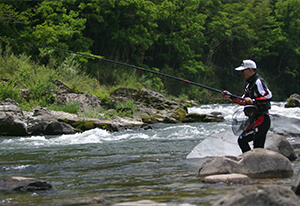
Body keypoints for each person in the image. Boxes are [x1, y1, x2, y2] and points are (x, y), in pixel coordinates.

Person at [222, 59, 272, 153]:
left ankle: (248, 162)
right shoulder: (249, 86)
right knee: (258, 149)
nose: (242, 73)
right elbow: (243, 101)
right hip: (255, 119)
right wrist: (231, 96)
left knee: (242, 140)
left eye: (243, 71)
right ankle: (255, 164)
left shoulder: (258, 81)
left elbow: (268, 96)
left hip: (262, 120)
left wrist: (253, 101)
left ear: (250, 70)